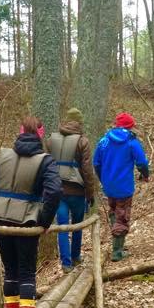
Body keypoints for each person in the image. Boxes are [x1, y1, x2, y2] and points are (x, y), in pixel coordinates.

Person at [0, 116, 62, 308]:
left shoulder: (4, 156)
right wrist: (44, 221)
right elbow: (54, 192)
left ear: (21, 130)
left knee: (10, 270)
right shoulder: (45, 161)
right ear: (40, 134)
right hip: (26, 221)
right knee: (26, 271)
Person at [92, 112, 150, 262]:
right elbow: (142, 162)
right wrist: (145, 175)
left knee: (114, 212)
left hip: (108, 185)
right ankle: (117, 251)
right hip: (124, 186)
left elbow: (96, 163)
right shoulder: (131, 141)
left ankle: (118, 242)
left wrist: (103, 178)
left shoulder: (104, 140)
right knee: (122, 216)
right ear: (130, 126)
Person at [46, 107, 96, 274]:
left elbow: (46, 166)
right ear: (80, 123)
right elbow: (87, 170)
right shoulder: (83, 141)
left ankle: (66, 263)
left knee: (62, 226)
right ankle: (75, 257)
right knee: (77, 225)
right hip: (77, 191)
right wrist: (90, 193)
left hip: (58, 191)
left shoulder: (51, 140)